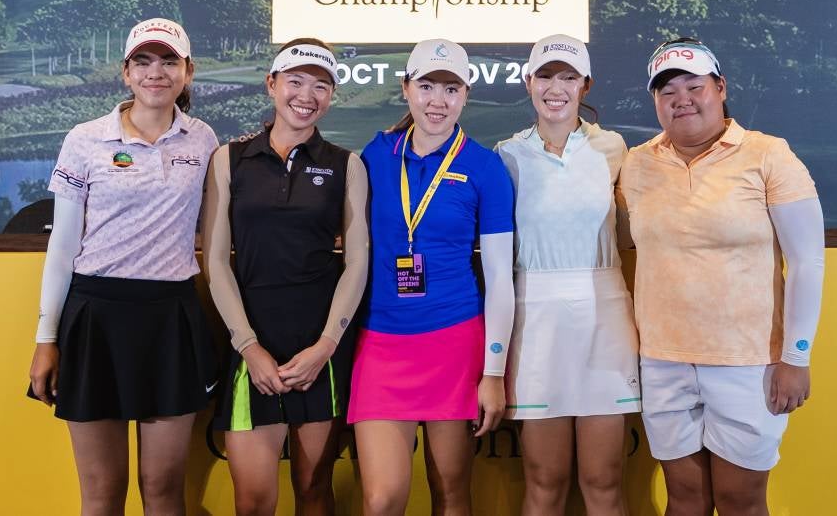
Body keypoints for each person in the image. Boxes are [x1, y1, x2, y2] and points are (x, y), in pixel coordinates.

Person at [617, 37, 825, 516]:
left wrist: (796, 355)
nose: (681, 99)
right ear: (655, 101)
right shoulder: (637, 163)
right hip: (663, 359)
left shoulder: (769, 155)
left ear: (721, 87)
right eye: (667, 92)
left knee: (740, 501)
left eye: (694, 85)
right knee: (685, 500)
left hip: (748, 362)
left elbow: (808, 261)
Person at [27, 17, 219, 514]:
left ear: (188, 72)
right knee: (102, 493)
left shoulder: (202, 140)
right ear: (126, 73)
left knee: (163, 491)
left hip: (171, 319)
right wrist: (45, 340)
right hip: (95, 319)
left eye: (169, 61)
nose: (156, 72)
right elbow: (63, 246)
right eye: (144, 62)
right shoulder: (85, 139)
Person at [201, 39, 369, 515]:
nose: (307, 95)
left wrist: (326, 346)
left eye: (321, 86)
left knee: (315, 491)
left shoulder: (345, 164)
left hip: (321, 348)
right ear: (271, 84)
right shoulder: (229, 159)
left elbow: (357, 262)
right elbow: (215, 260)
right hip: (252, 345)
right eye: (295, 81)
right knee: (253, 501)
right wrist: (248, 345)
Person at [348, 39, 515, 516]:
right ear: (406, 89)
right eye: (426, 86)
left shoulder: (485, 167)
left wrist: (494, 372)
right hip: (381, 341)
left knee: (451, 495)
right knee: (381, 500)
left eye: (450, 88)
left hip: (456, 342)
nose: (437, 101)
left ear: (465, 94)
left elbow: (501, 279)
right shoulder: (376, 155)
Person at [495, 34, 639, 516]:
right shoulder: (506, 155)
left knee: (602, 481)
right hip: (534, 322)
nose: (556, 88)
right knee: (544, 480)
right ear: (528, 81)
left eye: (569, 77)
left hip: (606, 317)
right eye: (546, 76)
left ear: (585, 84)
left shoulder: (615, 148)